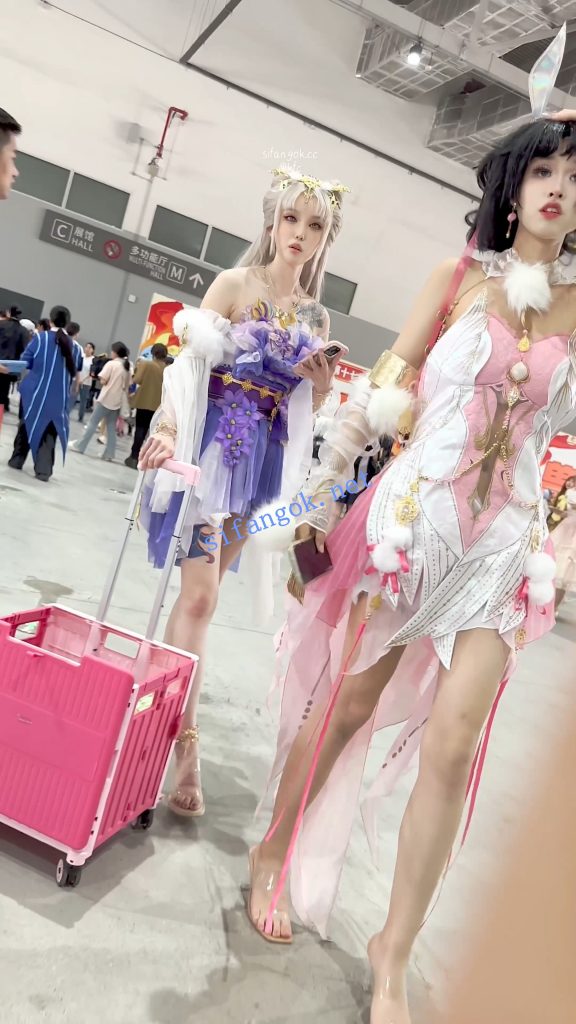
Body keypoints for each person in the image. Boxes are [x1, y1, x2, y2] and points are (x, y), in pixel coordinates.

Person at [241, 117, 576, 1024]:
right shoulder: (456, 280)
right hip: (409, 525)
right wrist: (318, 498)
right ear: (513, 186)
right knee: (349, 704)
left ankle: (395, 948)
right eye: (543, 169)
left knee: (455, 746)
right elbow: (384, 393)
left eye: (575, 176)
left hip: (502, 549)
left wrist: (558, 544)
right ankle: (273, 851)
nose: (558, 187)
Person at [138, 167, 349, 818]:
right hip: (215, 454)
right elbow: (189, 366)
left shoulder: (315, 315)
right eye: (291, 218)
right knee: (199, 597)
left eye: (315, 225)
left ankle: (160, 718)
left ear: (326, 237)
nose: (300, 233)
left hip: (263, 468)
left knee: (200, 599)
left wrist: (320, 386)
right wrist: (166, 430)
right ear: (272, 220)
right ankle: (184, 745)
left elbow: (307, 407)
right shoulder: (234, 285)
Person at [6, 305, 82, 481]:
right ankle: (43, 470)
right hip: (58, 399)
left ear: (51, 320)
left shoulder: (40, 339)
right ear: (67, 322)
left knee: (26, 427)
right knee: (49, 433)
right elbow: (74, 370)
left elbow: (26, 362)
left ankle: (17, 460)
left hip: (36, 394)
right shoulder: (76, 348)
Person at [70, 342, 130, 462]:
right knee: (111, 427)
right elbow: (127, 385)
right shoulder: (127, 367)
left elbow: (103, 380)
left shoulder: (111, 364)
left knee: (93, 423)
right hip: (117, 401)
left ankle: (80, 446)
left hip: (106, 398)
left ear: (116, 352)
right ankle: (109, 454)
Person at [124, 342, 169, 469]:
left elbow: (137, 380)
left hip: (143, 401)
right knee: (149, 432)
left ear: (153, 352)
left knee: (140, 429)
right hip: (158, 405)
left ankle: (134, 456)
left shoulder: (146, 364)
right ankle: (145, 459)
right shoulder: (167, 369)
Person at [547, 474, 576, 612]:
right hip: (566, 527)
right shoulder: (569, 493)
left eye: (573, 481)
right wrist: (558, 512)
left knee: (567, 573)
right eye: (569, 481)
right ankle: (547, 604)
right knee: (557, 566)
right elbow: (568, 513)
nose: (570, 483)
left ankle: (554, 608)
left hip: (573, 534)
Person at [0, 308, 27, 412]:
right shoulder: (23, 330)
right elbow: (24, 348)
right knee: (5, 387)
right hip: (11, 364)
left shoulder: (1, 324)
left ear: (8, 313)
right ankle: (3, 406)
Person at [77, 341, 95, 422]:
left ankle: (80, 416)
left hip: (86, 383)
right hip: (77, 380)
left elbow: (92, 373)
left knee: (83, 400)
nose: (87, 349)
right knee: (72, 397)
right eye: (86, 347)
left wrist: (82, 380)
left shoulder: (93, 360)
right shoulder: (81, 356)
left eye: (90, 348)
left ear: (92, 350)